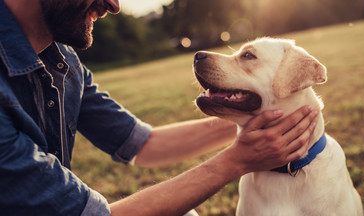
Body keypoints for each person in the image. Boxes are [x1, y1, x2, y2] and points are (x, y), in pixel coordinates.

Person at [0, 0, 318, 215]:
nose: (114, 4)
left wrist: (264, 116)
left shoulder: (64, 63)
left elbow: (145, 145)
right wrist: (235, 161)